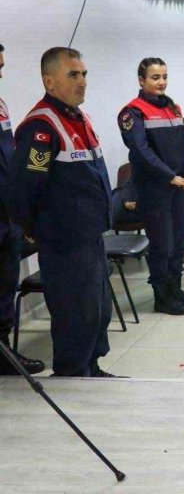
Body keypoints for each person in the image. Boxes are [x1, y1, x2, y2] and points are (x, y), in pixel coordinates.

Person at [10, 47, 115, 377]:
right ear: (49, 81)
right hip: (64, 240)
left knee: (98, 309)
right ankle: (72, 376)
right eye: (73, 75)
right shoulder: (42, 127)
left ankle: (91, 367)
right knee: (75, 314)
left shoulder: (78, 117)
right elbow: (24, 188)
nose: (82, 81)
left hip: (90, 234)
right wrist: (35, 229)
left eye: (84, 74)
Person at [119, 57, 184, 316]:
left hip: (179, 187)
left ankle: (175, 290)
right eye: (155, 77)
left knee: (179, 243)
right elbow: (141, 151)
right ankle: (162, 297)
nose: (162, 82)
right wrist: (169, 176)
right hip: (154, 189)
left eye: (164, 76)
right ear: (141, 80)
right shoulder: (132, 112)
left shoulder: (173, 108)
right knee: (162, 244)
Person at [0, 43, 45, 375]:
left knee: (6, 285)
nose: (1, 74)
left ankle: (4, 354)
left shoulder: (0, 104)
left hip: (7, 213)